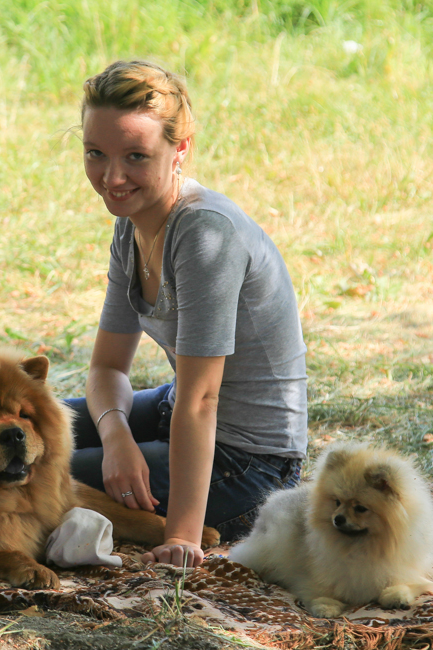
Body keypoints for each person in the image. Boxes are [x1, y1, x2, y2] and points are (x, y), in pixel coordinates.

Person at [66, 60, 308, 568]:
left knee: (31, 476)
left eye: (136, 156)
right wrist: (116, 437)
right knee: (30, 431)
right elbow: (107, 368)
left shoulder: (204, 233)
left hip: (249, 464)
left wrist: (180, 537)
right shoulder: (131, 223)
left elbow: (201, 399)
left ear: (180, 150)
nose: (112, 177)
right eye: (95, 153)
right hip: (177, 412)